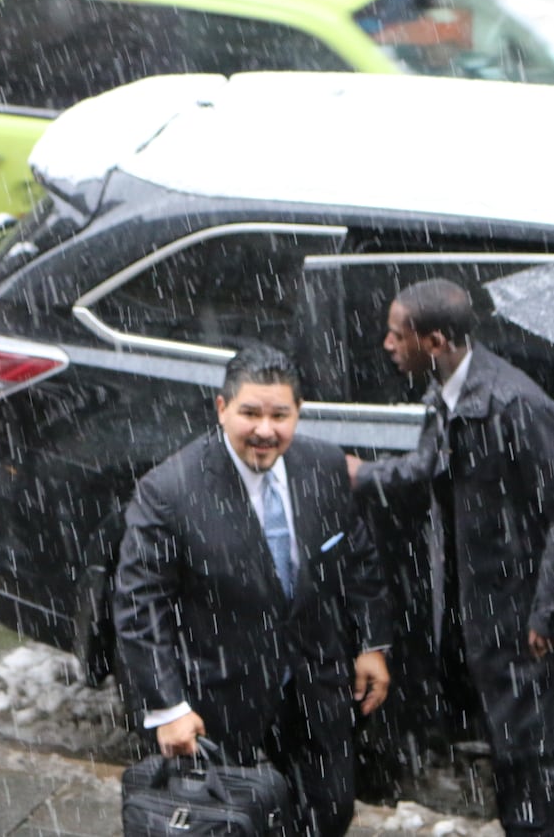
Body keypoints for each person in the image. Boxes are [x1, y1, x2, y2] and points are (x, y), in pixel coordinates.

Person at [346, 278, 554, 837]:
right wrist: (362, 476)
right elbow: (428, 468)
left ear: (434, 340)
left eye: (397, 335)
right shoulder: (449, 395)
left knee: (547, 774)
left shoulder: (514, 406)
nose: (387, 345)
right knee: (516, 773)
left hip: (528, 628)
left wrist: (549, 616)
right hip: (490, 621)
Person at [114, 344, 392, 837]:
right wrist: (169, 708)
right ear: (222, 409)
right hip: (220, 696)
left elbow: (358, 557)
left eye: (279, 415)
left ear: (298, 413)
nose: (265, 430)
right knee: (227, 825)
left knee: (328, 813)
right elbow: (141, 605)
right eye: (250, 413)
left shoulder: (324, 467)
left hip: (315, 687)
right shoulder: (170, 490)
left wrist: (372, 642)